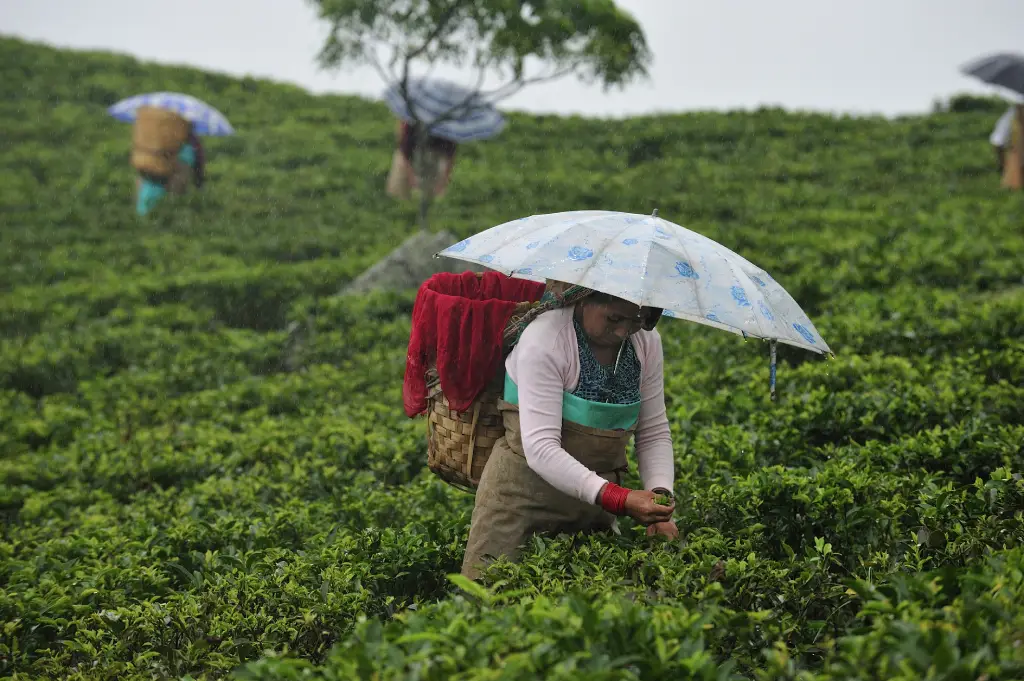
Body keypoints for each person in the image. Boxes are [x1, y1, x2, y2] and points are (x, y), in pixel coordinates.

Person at [460, 280, 678, 580]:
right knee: (493, 603)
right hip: (522, 505)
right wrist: (619, 499)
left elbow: (652, 430)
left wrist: (660, 498)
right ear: (584, 298)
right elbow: (541, 448)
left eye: (639, 319)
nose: (623, 330)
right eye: (614, 318)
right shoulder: (546, 340)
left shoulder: (646, 343)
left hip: (593, 510)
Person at [134, 122, 206, 216]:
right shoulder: (187, 141)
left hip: (167, 174)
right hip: (163, 174)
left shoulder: (190, 142)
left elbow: (198, 163)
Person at [386, 120, 458, 200]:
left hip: (435, 154)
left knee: (432, 197)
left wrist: (445, 179)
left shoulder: (448, 127)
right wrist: (411, 177)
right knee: (398, 192)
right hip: (409, 152)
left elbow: (450, 153)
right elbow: (404, 150)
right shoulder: (413, 120)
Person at [990, 103, 1023, 189]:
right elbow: (998, 142)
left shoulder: (1011, 115)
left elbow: (998, 142)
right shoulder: (1011, 116)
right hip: (1016, 159)